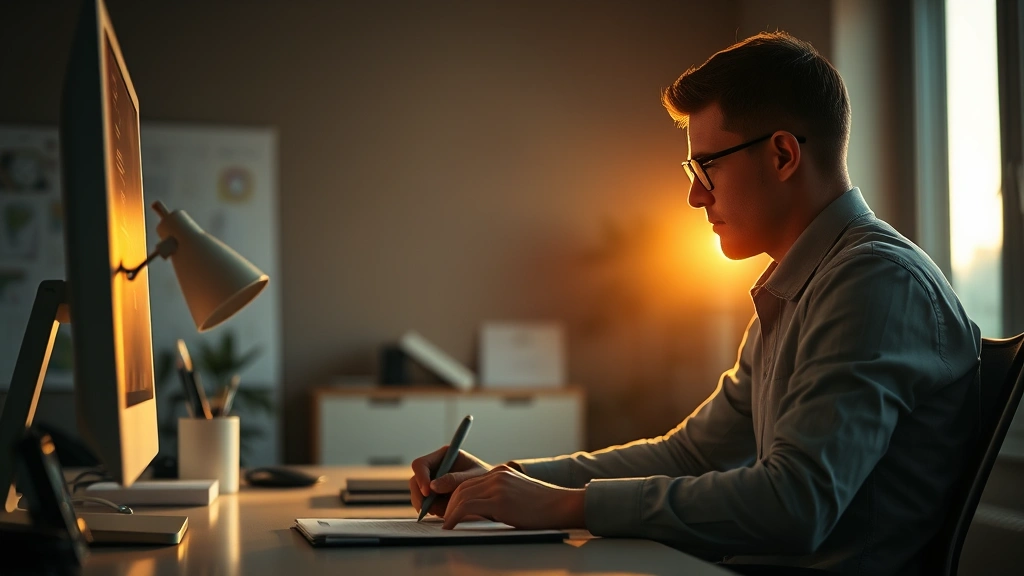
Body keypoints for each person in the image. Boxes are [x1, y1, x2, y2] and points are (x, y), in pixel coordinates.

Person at [409, 31, 981, 576]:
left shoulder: (873, 283)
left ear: (783, 155)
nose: (694, 194)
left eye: (707, 166)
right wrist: (506, 481)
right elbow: (691, 454)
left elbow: (795, 504)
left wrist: (566, 506)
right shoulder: (800, 282)